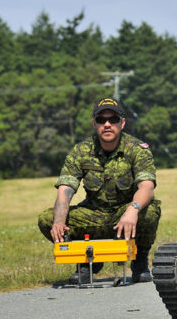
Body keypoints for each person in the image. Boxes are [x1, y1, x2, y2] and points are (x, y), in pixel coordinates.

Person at [38, 97, 161, 283]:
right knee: (47, 219)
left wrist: (132, 210)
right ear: (94, 123)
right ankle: (87, 262)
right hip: (94, 214)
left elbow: (147, 186)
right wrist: (59, 221)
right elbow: (66, 189)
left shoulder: (137, 149)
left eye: (113, 119)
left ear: (123, 123)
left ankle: (139, 262)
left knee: (150, 210)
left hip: (124, 214)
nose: (107, 124)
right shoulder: (81, 150)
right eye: (102, 120)